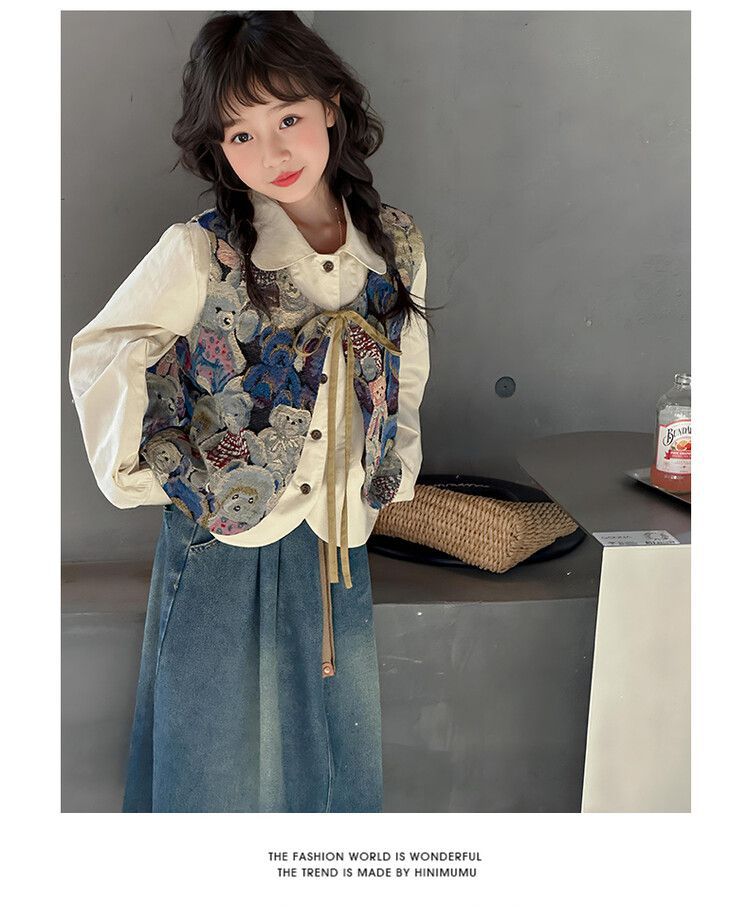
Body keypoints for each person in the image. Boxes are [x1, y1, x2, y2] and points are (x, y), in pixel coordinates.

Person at [68, 10, 436, 813]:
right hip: (223, 544)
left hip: (336, 539)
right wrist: (141, 474)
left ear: (331, 107)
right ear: (217, 145)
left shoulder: (395, 244)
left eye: (288, 119)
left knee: (327, 758)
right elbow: (104, 349)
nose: (271, 153)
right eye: (240, 134)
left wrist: (392, 469)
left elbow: (404, 364)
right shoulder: (201, 250)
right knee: (216, 768)